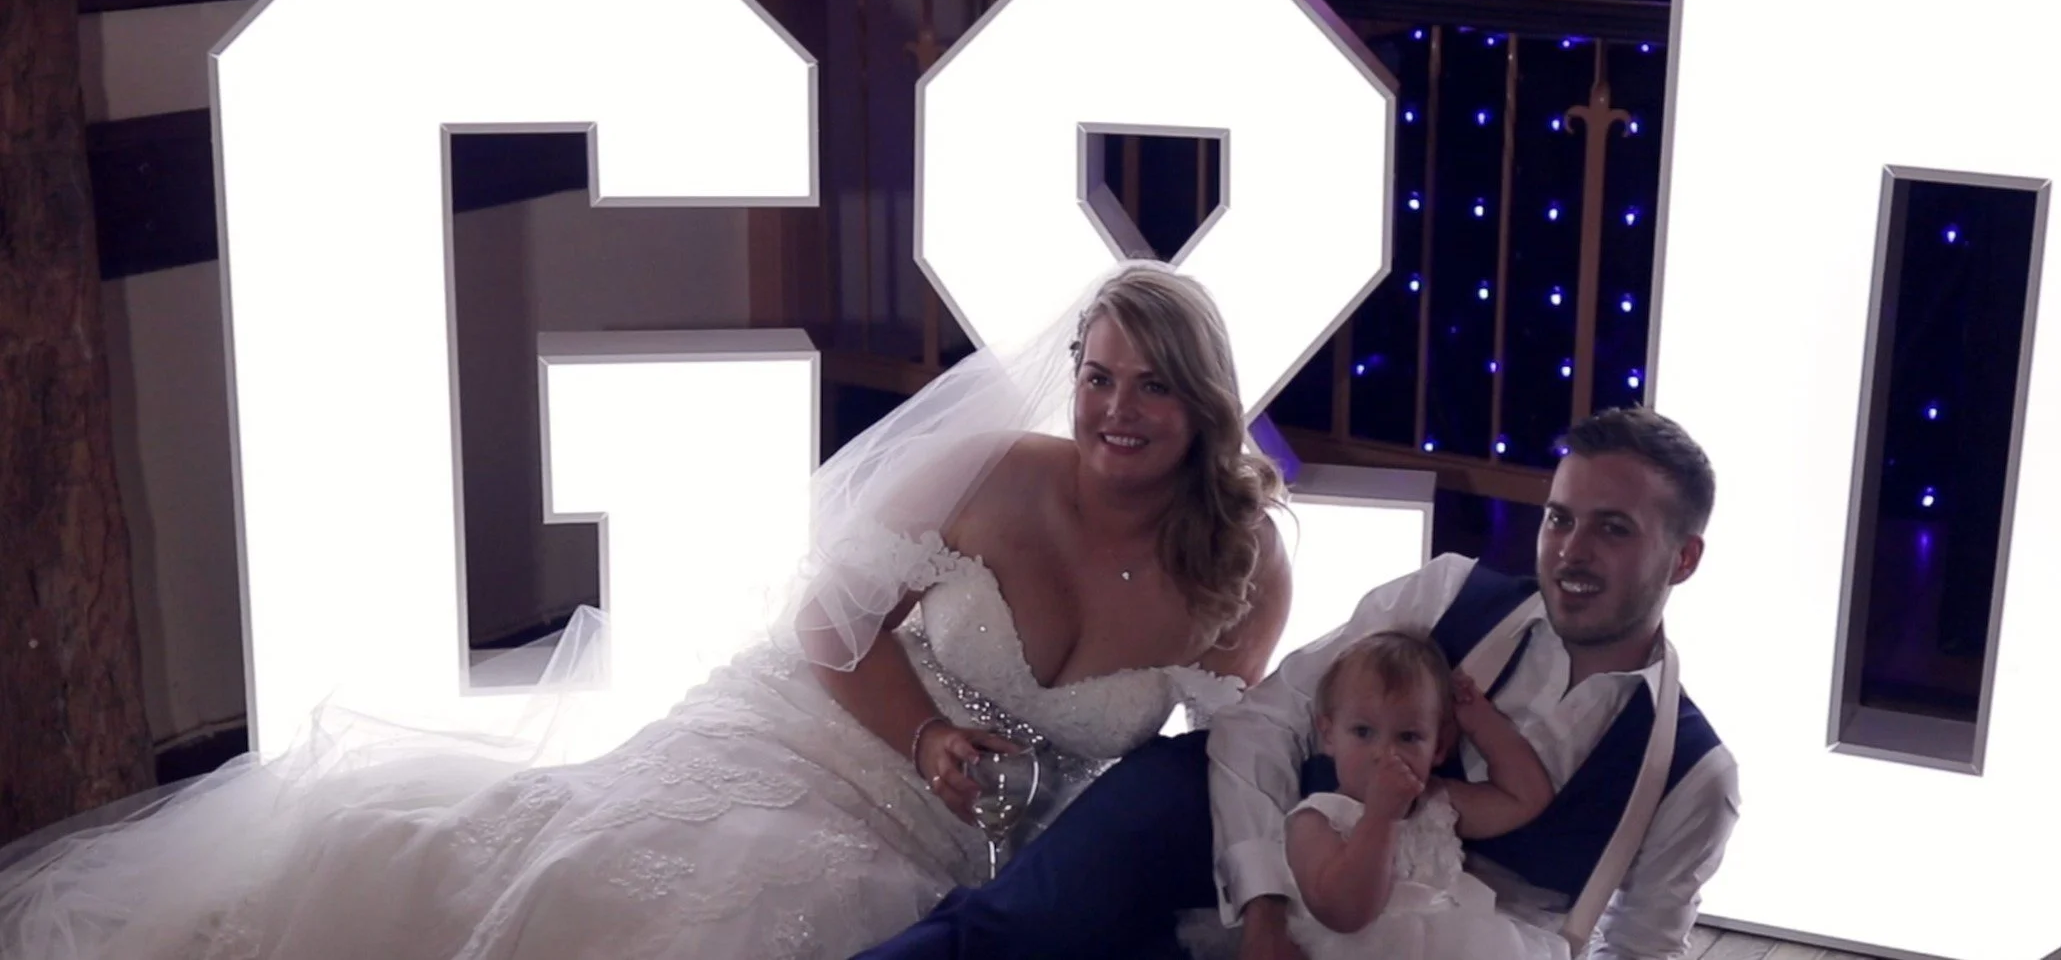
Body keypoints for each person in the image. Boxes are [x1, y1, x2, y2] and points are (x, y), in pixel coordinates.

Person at [0, 261, 1293, 960]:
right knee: (658, 895)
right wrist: (927, 738)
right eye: (1098, 376)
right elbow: (826, 628)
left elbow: (1216, 769)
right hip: (821, 736)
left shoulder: (1241, 566)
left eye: (1150, 389)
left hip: (986, 838)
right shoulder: (994, 475)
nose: (1114, 411)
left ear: (1203, 405)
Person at [857, 405, 1740, 960]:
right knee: (1031, 921)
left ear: (1684, 556)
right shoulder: (1447, 593)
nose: (1571, 551)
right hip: (1258, 812)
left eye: (1613, 529)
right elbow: (1266, 719)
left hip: (1430, 936)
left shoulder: (1694, 772)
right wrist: (1266, 904)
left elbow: (1640, 946)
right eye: (1559, 518)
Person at [1275, 630, 1566, 960]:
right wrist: (1381, 818)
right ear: (1328, 735)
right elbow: (1345, 913)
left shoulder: (1436, 800)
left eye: (1409, 737)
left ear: (1438, 747)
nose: (1385, 754)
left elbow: (1525, 798)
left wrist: (1482, 722)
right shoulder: (1315, 820)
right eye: (1363, 732)